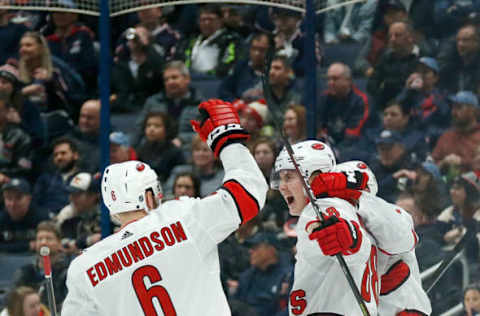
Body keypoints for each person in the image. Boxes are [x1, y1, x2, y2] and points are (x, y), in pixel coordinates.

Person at [61, 98, 268, 315]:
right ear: (150, 197)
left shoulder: (84, 267)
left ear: (111, 206)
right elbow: (249, 192)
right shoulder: (182, 216)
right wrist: (227, 141)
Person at [271, 140, 378, 315]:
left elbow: (354, 245)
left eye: (288, 177)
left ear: (313, 176)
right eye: (280, 179)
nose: (282, 187)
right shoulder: (348, 209)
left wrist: (350, 239)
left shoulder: (321, 207)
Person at [317, 160, 431, 316]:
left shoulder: (391, 214)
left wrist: (358, 198)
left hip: (402, 310)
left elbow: (404, 239)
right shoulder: (332, 222)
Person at [234, 232, 292, 316]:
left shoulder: (288, 276)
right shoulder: (246, 276)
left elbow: (291, 310)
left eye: (255, 247)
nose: (250, 251)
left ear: (271, 249)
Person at [13, 221, 69, 307]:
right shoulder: (24, 273)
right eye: (40, 239)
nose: (43, 242)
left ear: (59, 244)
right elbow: (14, 303)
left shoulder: (67, 273)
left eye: (49, 239)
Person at [175, 4, 241, 77]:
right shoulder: (191, 41)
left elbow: (228, 64)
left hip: (215, 81)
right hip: (189, 80)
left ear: (220, 20)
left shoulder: (231, 40)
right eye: (203, 20)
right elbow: (181, 62)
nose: (206, 23)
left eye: (210, 19)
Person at [317, 62, 370, 149]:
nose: (330, 83)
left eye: (335, 79)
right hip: (329, 146)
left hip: (356, 146)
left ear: (348, 80)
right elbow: (319, 128)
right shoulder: (324, 98)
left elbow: (354, 134)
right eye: (328, 79)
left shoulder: (360, 100)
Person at [433, 91, 480, 175]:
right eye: (453, 107)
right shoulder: (447, 136)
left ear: (474, 111)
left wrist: (461, 162)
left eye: (459, 107)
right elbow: (432, 165)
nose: (453, 112)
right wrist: (443, 163)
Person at [32, 137, 80, 217]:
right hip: (48, 222)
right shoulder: (45, 179)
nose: (59, 157)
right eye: (55, 155)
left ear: (75, 155)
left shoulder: (83, 178)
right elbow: (35, 204)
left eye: (63, 153)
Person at [0, 178, 49, 253]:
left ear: (29, 199)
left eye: (18, 198)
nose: (13, 204)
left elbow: (48, 246)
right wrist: (27, 246)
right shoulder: (1, 219)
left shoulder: (42, 218)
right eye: (9, 198)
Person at [135, 111, 185, 182]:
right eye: (148, 125)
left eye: (157, 126)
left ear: (167, 130)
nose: (151, 129)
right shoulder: (141, 150)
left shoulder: (175, 152)